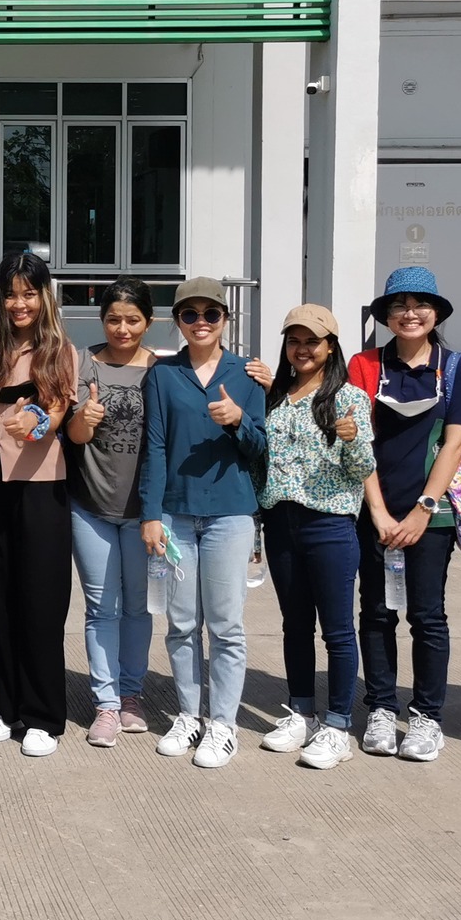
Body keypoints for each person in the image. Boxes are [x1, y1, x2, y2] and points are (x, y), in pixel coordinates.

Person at [346, 266, 461, 763]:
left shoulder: (457, 367)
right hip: (375, 512)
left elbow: (456, 441)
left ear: (436, 313)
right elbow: (358, 441)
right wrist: (379, 512)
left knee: (427, 615)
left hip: (432, 515)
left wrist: (425, 507)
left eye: (421, 304)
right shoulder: (364, 364)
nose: (410, 313)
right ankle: (381, 708)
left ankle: (427, 716)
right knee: (377, 613)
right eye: (399, 305)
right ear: (386, 315)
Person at [0, 251, 77, 758]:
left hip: (42, 485)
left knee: (42, 601)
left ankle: (43, 715)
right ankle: (6, 707)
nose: (19, 303)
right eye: (10, 294)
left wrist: (37, 423)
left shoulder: (59, 349)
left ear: (44, 296)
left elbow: (58, 413)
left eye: (29, 293)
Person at [139, 278, 266, 770]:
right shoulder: (163, 374)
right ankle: (189, 715)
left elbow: (261, 448)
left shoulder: (246, 373)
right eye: (189, 314)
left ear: (225, 319)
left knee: (226, 624)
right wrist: (151, 514)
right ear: (177, 321)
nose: (200, 323)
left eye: (211, 314)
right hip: (176, 512)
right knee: (182, 622)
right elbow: (154, 446)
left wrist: (238, 420)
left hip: (230, 512)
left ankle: (224, 724)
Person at [253, 306, 374, 770]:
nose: (302, 349)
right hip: (280, 523)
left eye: (312, 341)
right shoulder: (275, 397)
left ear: (330, 347)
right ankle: (301, 713)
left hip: (329, 525)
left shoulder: (348, 398)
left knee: (338, 629)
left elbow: (362, 469)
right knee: (295, 625)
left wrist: (352, 439)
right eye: (294, 340)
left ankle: (338, 725)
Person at [65, 278, 159, 746]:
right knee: (102, 608)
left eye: (133, 320)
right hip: (91, 506)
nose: (123, 329)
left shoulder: (161, 370)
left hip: (144, 512)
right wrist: (84, 420)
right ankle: (105, 704)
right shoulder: (84, 363)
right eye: (113, 319)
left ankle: (131, 695)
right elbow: (74, 436)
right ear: (102, 320)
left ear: (149, 322)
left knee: (138, 607)